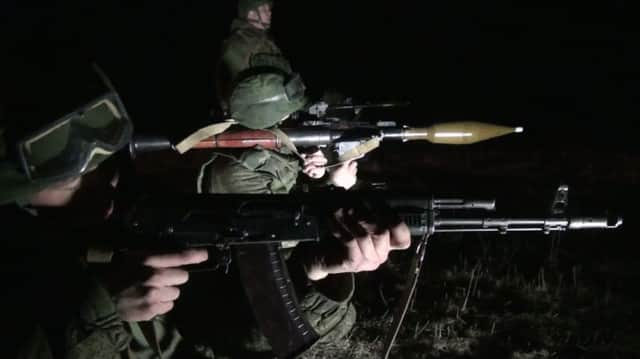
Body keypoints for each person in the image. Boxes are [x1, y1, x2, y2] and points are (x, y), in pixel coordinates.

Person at [1, 63, 410, 358]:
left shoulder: (126, 224)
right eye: (70, 182)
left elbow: (232, 332)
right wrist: (100, 312)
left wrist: (313, 272)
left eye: (107, 166)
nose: (105, 191)